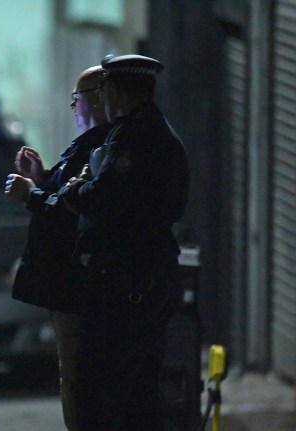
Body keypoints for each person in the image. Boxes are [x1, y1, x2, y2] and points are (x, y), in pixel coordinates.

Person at [57, 54, 190, 430]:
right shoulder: (155, 130)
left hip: (126, 285)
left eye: (105, 89)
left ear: (115, 90)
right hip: (144, 279)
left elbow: (102, 199)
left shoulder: (133, 136)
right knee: (139, 397)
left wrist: (73, 188)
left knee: (102, 396)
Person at [4, 65, 110, 430]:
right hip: (71, 286)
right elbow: (67, 196)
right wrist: (43, 177)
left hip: (80, 286)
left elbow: (74, 209)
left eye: (76, 98)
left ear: (97, 98)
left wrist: (31, 195)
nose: (73, 106)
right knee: (74, 376)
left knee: (81, 380)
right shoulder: (89, 146)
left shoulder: (104, 149)